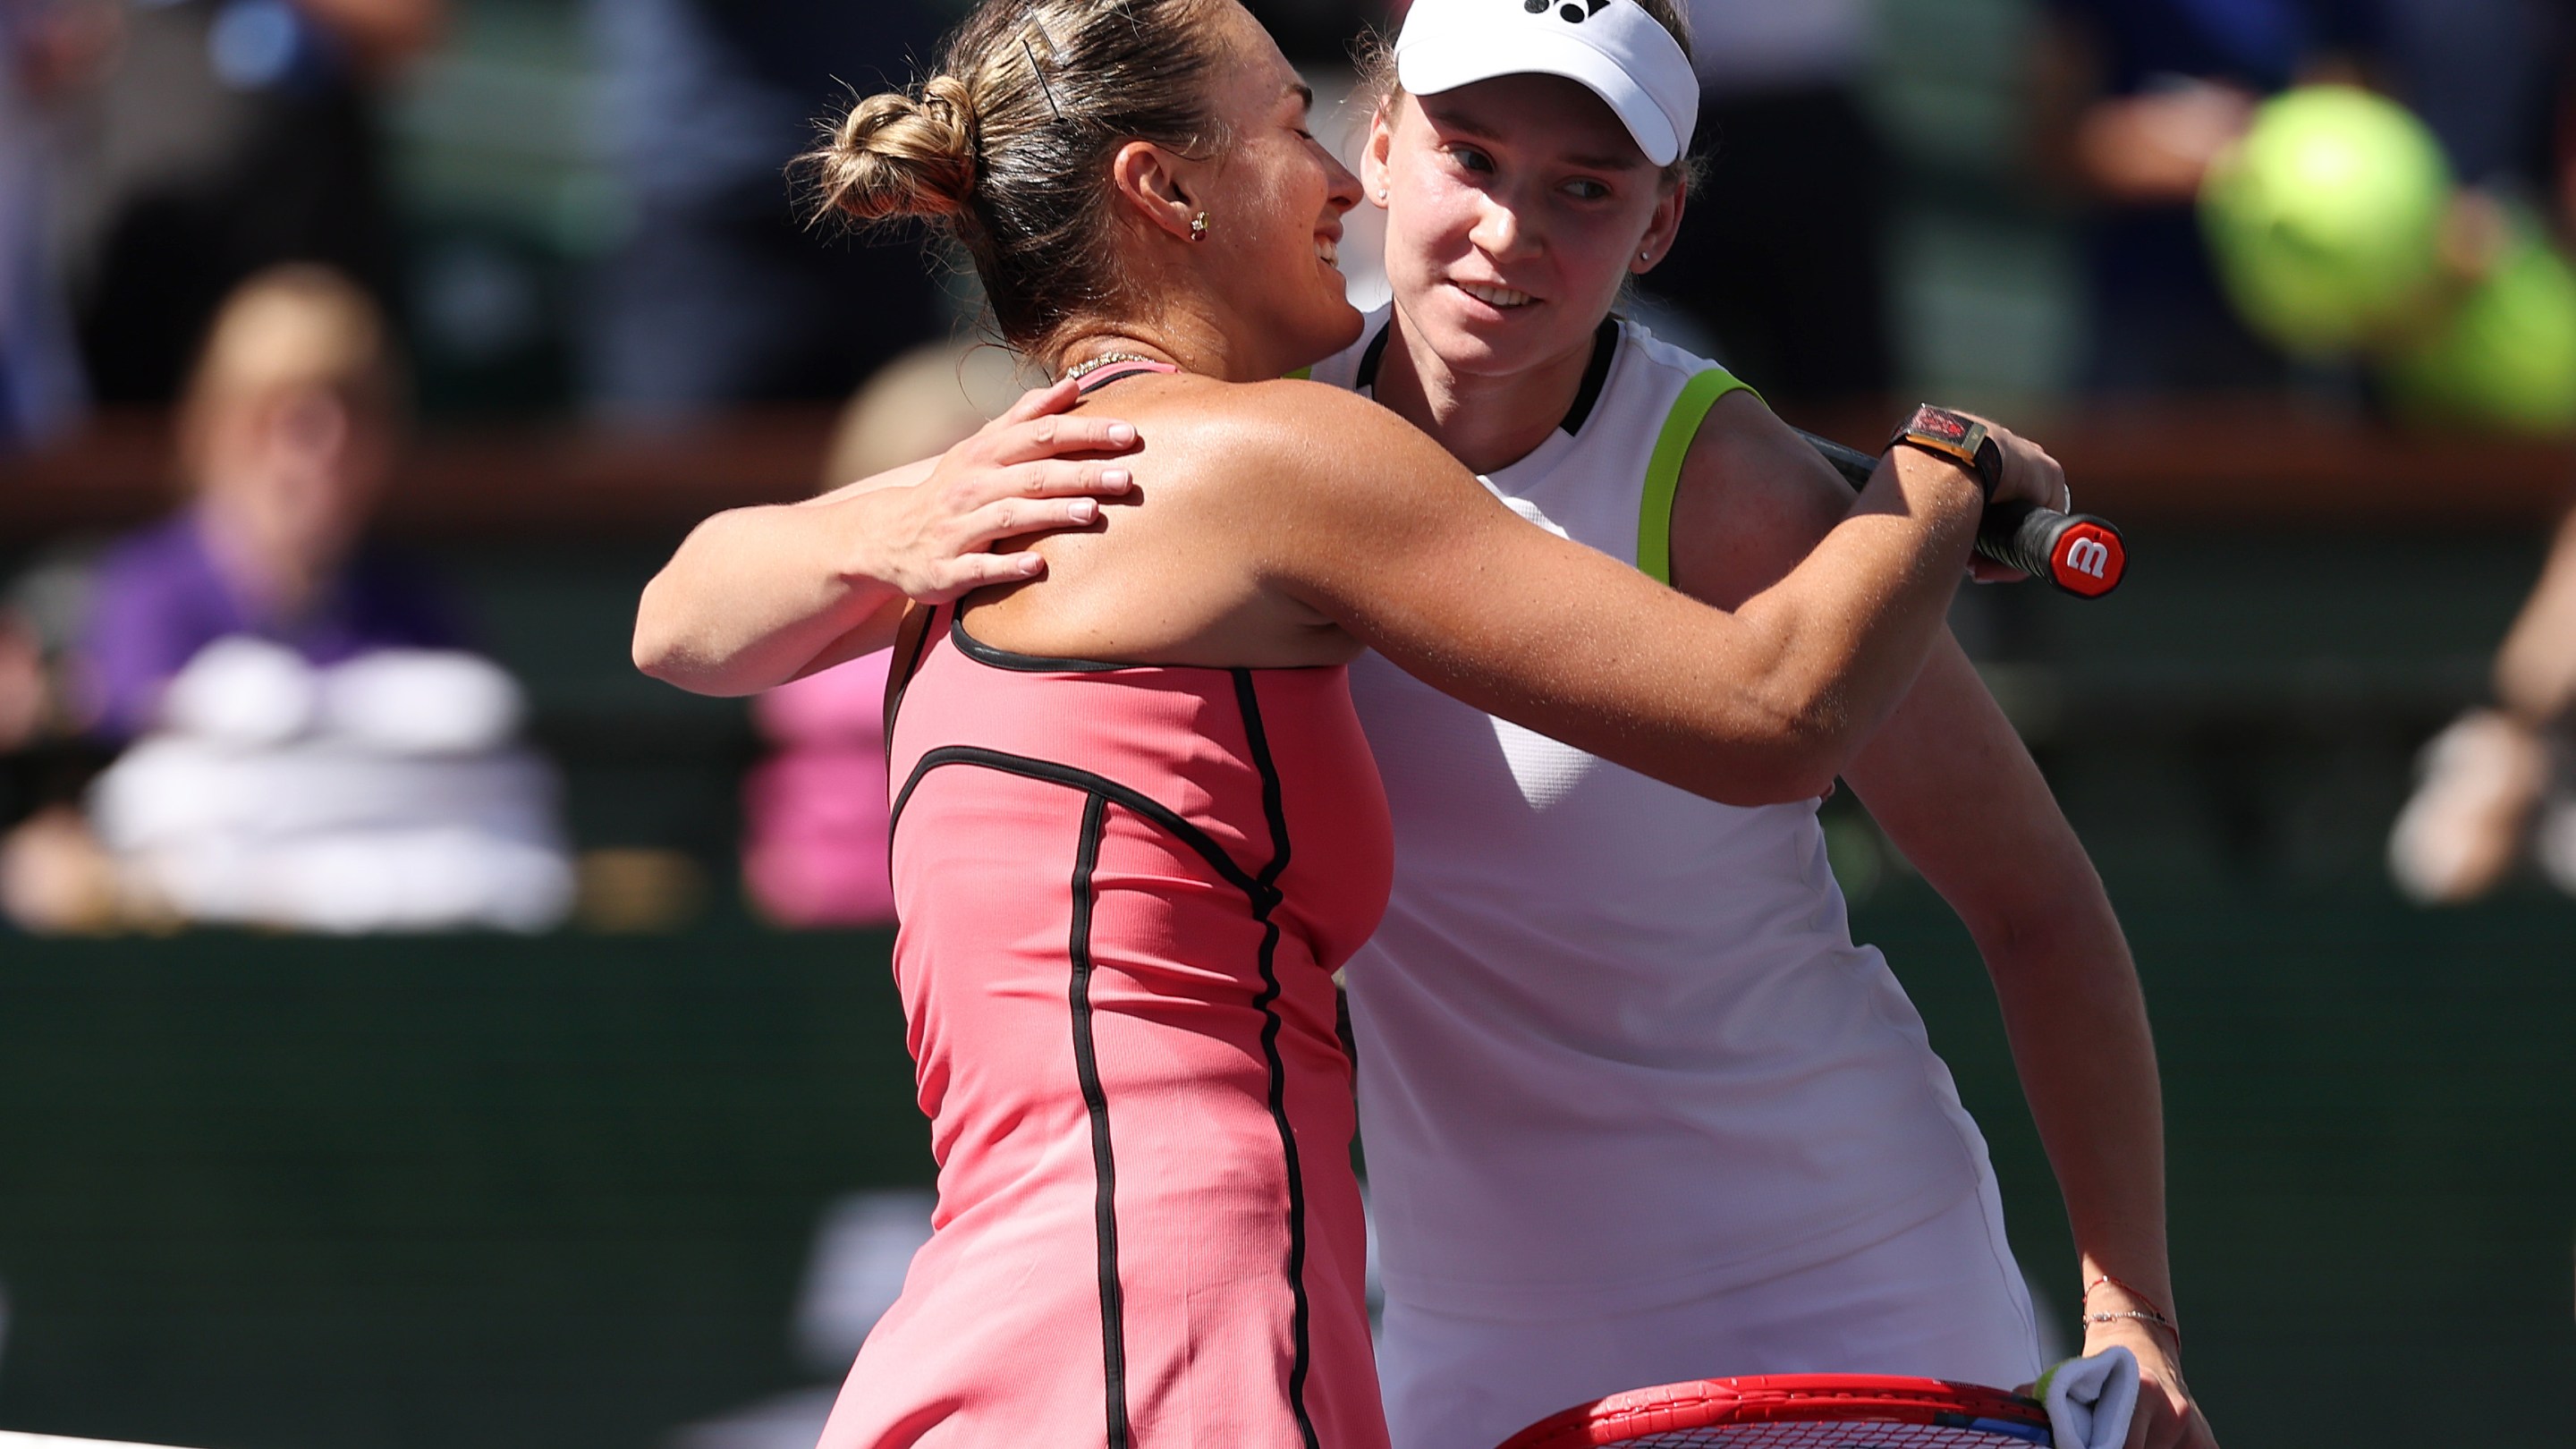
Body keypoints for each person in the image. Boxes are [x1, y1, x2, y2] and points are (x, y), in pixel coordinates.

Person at [657, 4, 2216, 1448]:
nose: (1509, 232)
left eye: (1588, 188)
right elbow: (681, 615)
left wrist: (2128, 1308)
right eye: (1468, 158)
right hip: (1463, 1345)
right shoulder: (1250, 440)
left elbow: (2034, 903)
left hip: (1849, 1284)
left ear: (1663, 221)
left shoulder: (1726, 483)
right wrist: (893, 516)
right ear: (1383, 145)